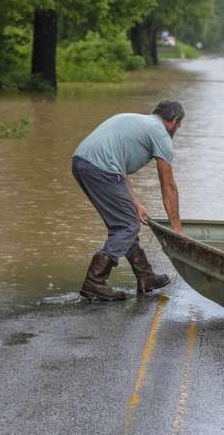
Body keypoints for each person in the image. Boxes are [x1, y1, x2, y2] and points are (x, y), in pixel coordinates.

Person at [72, 100, 185, 301]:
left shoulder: (133, 120)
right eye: (179, 125)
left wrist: (136, 204)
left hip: (81, 162)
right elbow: (168, 186)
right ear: (174, 121)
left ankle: (145, 276)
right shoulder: (160, 133)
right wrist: (176, 228)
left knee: (125, 221)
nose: (177, 129)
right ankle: (94, 281)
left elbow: (118, 168)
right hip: (100, 168)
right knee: (127, 226)